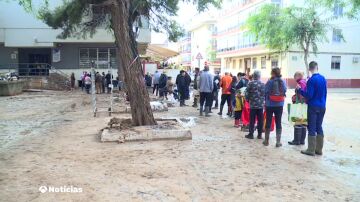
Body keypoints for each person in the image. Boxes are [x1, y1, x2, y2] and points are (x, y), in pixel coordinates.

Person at [298, 61, 327, 156]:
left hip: (313, 106)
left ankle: (311, 150)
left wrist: (299, 90)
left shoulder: (311, 80)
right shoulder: (323, 78)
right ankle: (319, 150)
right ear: (317, 67)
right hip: (322, 105)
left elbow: (309, 95)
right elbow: (325, 93)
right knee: (319, 126)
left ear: (309, 69)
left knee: (311, 127)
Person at [263, 67, 287, 147]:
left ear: (273, 73)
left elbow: (265, 91)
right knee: (278, 122)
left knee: (268, 120)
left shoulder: (270, 81)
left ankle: (266, 141)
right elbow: (284, 90)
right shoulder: (283, 81)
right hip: (280, 104)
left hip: (270, 104)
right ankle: (278, 142)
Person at [245, 70, 265, 139]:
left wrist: (247, 100)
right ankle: (259, 135)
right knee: (260, 120)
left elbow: (246, 93)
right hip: (260, 105)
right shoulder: (263, 84)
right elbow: (265, 94)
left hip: (253, 105)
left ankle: (251, 134)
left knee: (252, 120)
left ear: (254, 76)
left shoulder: (250, 83)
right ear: (259, 76)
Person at [289, 71, 307, 145]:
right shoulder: (305, 82)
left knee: (297, 123)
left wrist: (295, 98)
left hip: (299, 105)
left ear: (298, 76)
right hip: (304, 105)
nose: (294, 78)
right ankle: (302, 140)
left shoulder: (300, 83)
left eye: (295, 77)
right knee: (303, 123)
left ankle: (296, 140)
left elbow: (301, 95)